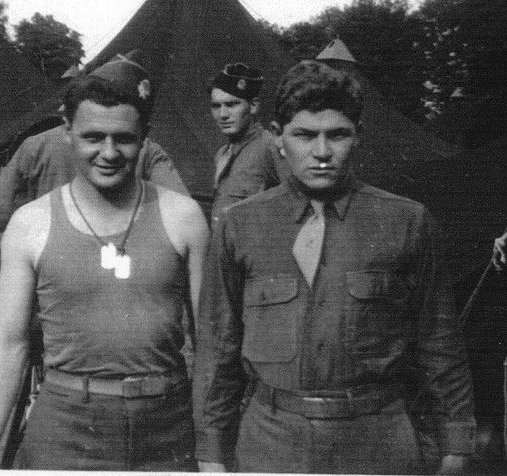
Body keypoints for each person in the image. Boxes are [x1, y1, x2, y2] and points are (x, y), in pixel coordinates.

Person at [193, 60, 476, 474]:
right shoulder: (241, 224)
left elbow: (439, 340)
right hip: (271, 441)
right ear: (278, 138)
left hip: (376, 439)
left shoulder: (407, 222)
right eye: (305, 135)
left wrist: (457, 442)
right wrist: (212, 454)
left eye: (337, 135)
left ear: (357, 137)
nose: (322, 152)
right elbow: (218, 347)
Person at [0, 55, 189, 469]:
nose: (108, 152)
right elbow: (179, 206)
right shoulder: (145, 149)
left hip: (47, 284)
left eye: (122, 138)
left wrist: (13, 279)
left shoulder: (38, 143)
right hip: (117, 293)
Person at [209, 62, 286, 225]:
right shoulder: (222, 154)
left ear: (253, 106)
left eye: (231, 104)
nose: (222, 114)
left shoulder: (271, 146)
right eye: (216, 106)